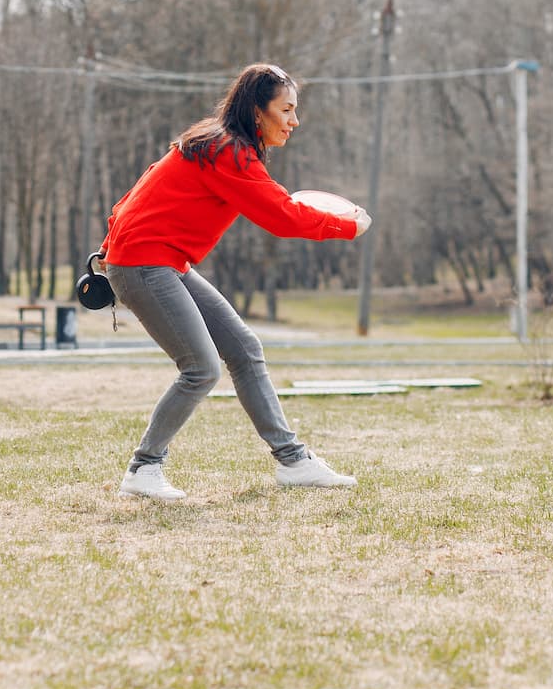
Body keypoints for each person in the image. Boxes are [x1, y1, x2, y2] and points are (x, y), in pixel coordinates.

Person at [96, 63, 372, 500]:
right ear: (258, 111)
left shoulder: (215, 142)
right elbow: (281, 214)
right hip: (144, 264)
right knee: (201, 369)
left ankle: (293, 461)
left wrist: (111, 242)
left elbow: (134, 195)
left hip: (162, 261)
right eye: (287, 109)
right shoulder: (227, 151)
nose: (294, 121)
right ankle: (143, 468)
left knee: (244, 350)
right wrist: (345, 227)